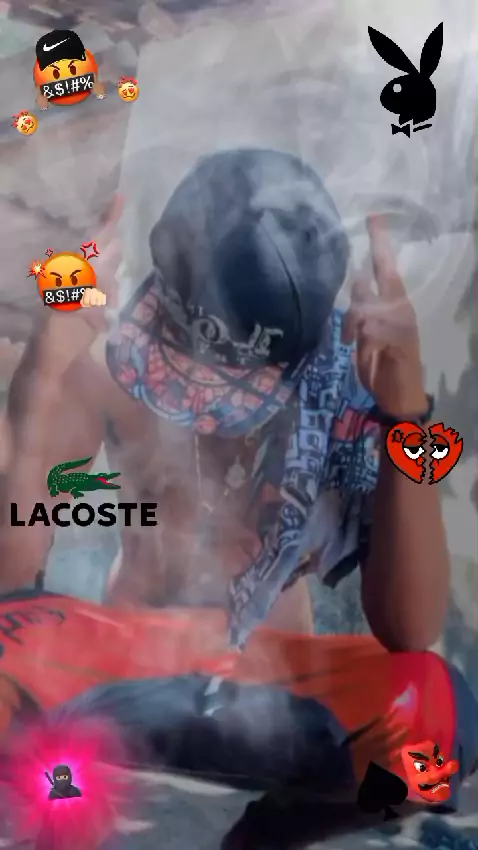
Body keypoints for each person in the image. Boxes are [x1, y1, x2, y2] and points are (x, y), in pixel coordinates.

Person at [0, 148, 449, 664]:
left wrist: (405, 411)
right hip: (132, 648)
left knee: (426, 686)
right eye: (179, 357)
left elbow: (411, 632)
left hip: (274, 665)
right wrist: (43, 372)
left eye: (228, 380)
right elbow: (10, 579)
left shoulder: (342, 382)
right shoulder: (104, 358)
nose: (198, 398)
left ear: (298, 360)